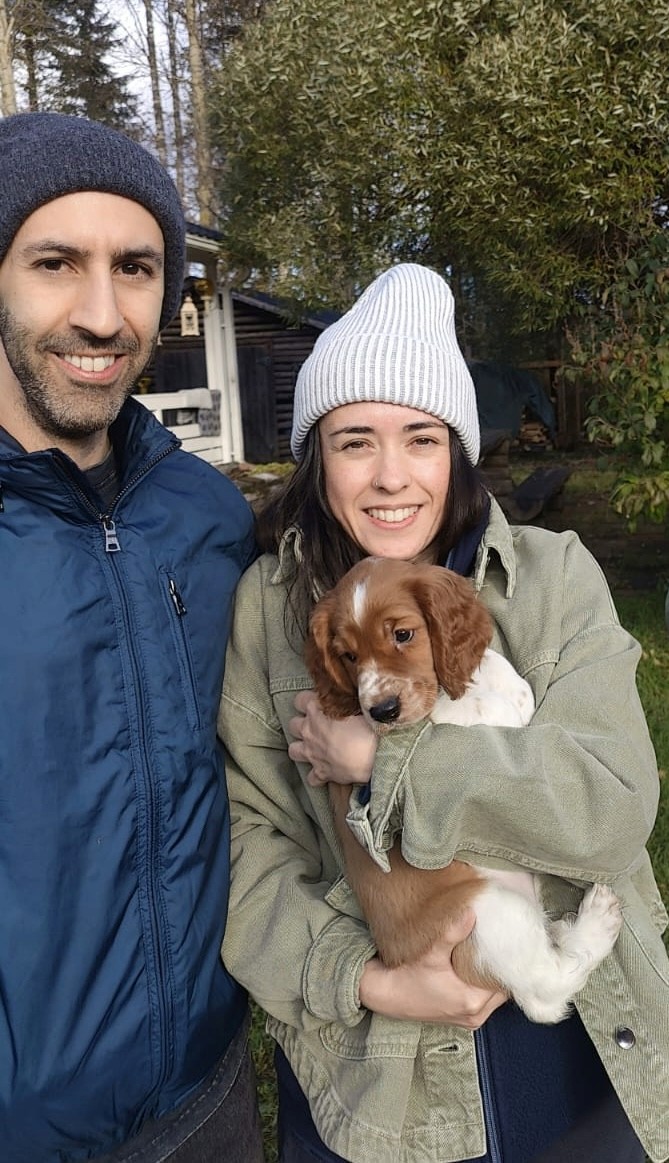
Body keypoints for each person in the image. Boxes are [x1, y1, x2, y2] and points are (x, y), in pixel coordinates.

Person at [219, 263, 669, 1163]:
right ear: (317, 457)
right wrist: (373, 979)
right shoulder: (270, 611)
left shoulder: (551, 577)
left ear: (455, 451)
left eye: (420, 437)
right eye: (354, 441)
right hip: (383, 1084)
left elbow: (610, 806)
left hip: (584, 1057)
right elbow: (246, 846)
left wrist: (382, 760)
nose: (390, 477)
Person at [0, 112, 264, 1163]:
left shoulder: (209, 516)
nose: (103, 314)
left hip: (208, 1092)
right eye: (56, 261)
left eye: (138, 266)